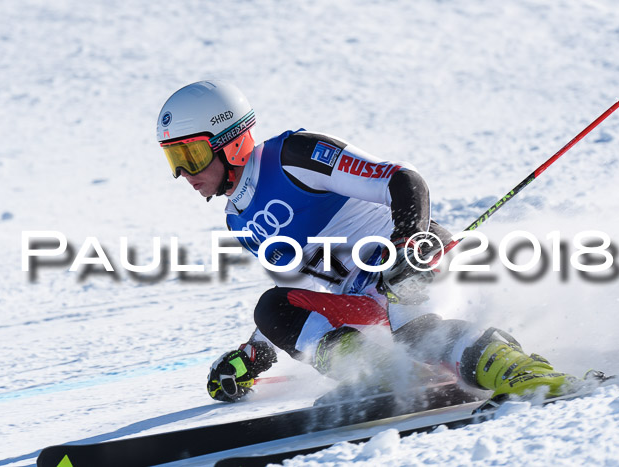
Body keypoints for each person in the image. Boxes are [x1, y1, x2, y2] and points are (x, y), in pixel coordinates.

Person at [156, 80, 577, 404]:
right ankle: (379, 375)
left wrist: (409, 238)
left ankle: (519, 370)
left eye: (190, 156)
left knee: (414, 331)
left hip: (410, 262)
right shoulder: (237, 218)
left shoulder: (293, 156)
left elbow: (401, 179)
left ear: (230, 142)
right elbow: (307, 289)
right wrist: (253, 356)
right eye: (174, 160)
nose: (184, 175)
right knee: (273, 307)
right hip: (364, 299)